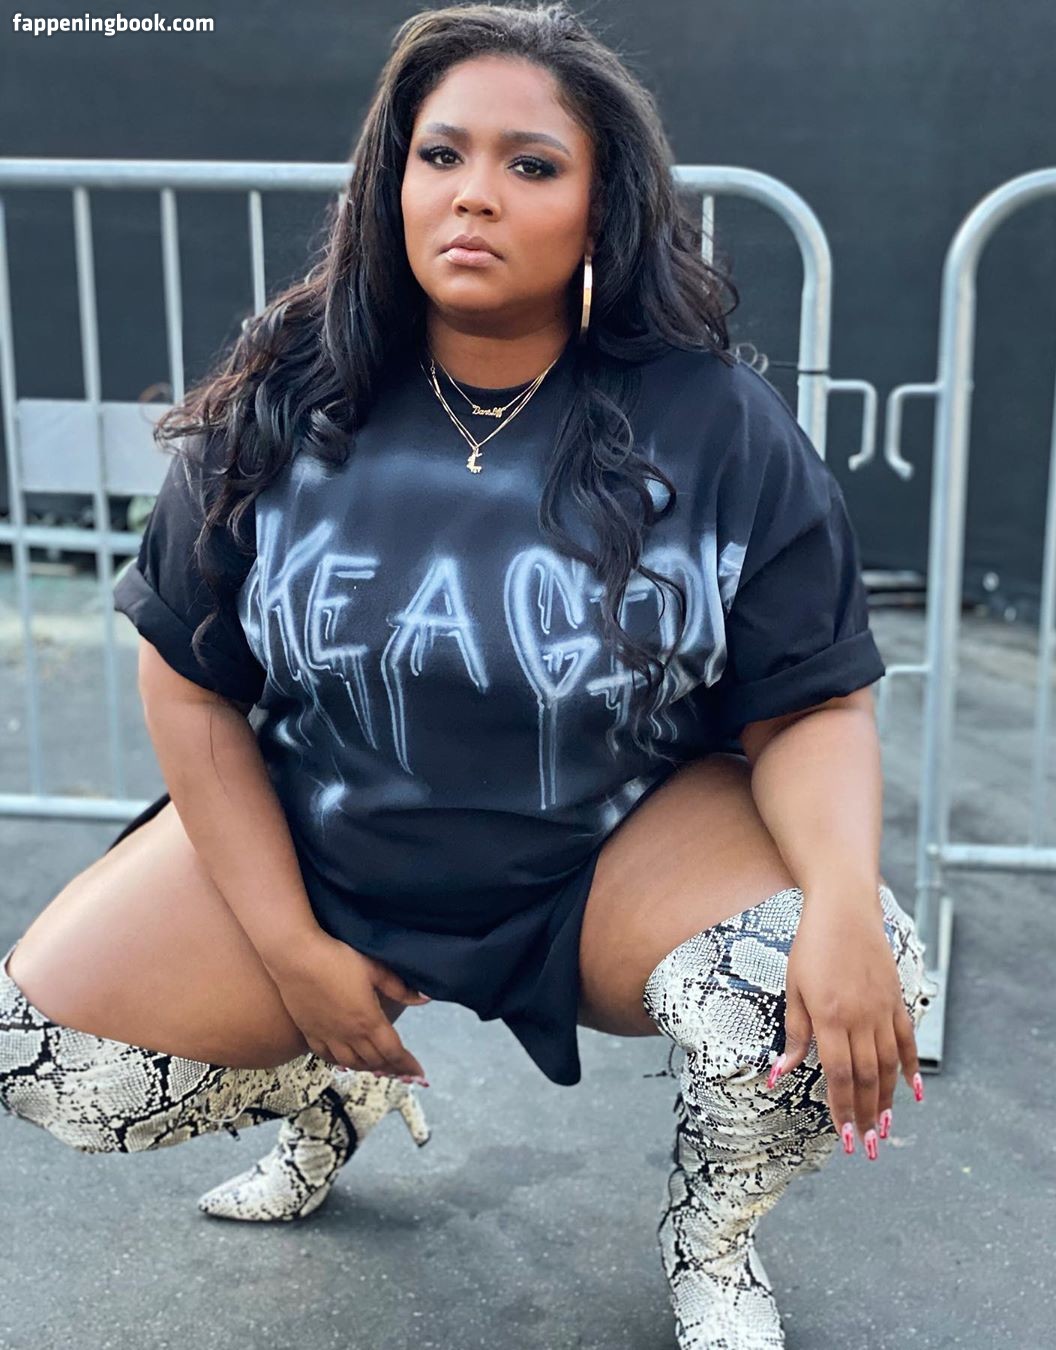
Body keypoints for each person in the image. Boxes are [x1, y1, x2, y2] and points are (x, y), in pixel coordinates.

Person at [0, 2, 940, 1344]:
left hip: (610, 858)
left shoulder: (714, 422)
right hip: (335, 849)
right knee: (45, 1053)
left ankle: (715, 1240)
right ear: (392, 180)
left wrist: (843, 899)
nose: (474, 194)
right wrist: (293, 955)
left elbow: (813, 702)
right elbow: (190, 677)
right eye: (440, 155)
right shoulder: (286, 393)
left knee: (846, 964)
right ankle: (332, 1089)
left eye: (531, 164)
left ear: (603, 205)